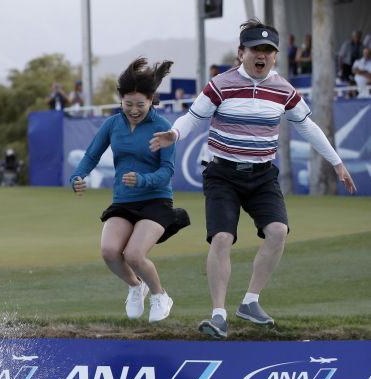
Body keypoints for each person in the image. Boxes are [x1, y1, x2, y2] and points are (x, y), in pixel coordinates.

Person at [149, 19, 357, 340]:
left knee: (277, 232)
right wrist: (174, 133)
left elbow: (308, 127)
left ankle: (250, 301)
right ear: (241, 52)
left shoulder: (284, 89)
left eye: (268, 51)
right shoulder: (220, 84)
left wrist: (337, 162)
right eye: (255, 49)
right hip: (223, 174)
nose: (262, 55)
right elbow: (193, 117)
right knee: (221, 239)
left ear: (275, 56)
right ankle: (218, 315)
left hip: (262, 176)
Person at [70, 57, 190, 323]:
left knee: (134, 254)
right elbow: (91, 156)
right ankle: (137, 287)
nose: (134, 110)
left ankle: (160, 296)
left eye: (140, 104)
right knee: (110, 252)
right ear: (120, 100)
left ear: (151, 100)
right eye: (128, 104)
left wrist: (144, 180)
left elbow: (167, 171)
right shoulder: (113, 124)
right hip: (123, 201)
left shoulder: (162, 129)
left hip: (156, 201)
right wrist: (78, 176)